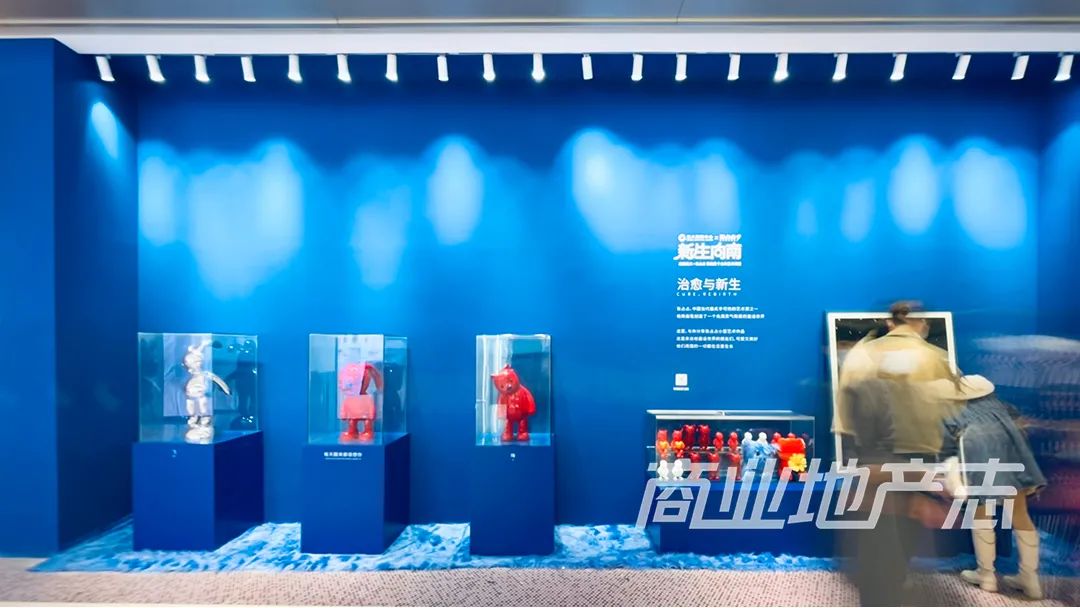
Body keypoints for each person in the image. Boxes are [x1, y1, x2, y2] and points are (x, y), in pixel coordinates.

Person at [931, 374, 1048, 600]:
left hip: (979, 454)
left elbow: (946, 450)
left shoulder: (951, 411)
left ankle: (986, 576)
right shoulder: (1000, 404)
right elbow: (1022, 423)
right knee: (1019, 514)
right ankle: (1030, 579)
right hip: (1012, 453)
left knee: (981, 513)